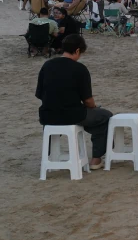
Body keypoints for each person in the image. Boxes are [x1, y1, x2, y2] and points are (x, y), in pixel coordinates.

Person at [35, 34, 112, 170]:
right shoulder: (80, 69)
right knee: (105, 117)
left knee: (84, 118)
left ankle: (48, 157)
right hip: (72, 114)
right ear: (77, 51)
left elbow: (40, 94)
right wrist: (94, 107)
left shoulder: (47, 65)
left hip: (48, 114)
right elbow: (88, 100)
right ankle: (96, 159)